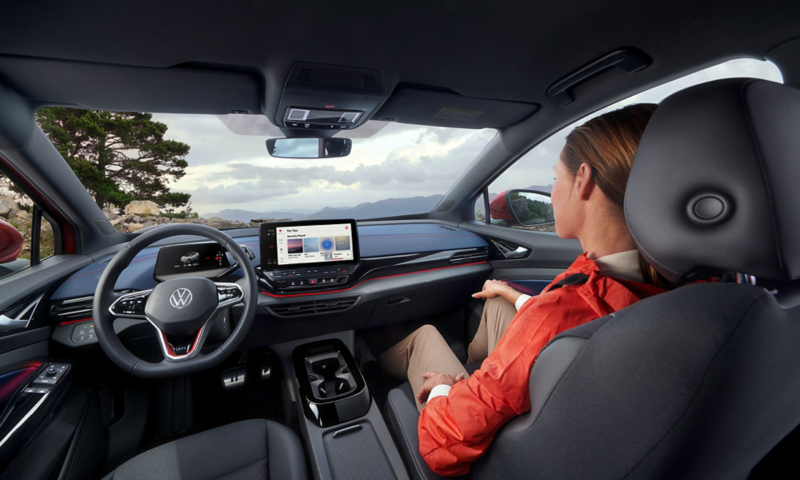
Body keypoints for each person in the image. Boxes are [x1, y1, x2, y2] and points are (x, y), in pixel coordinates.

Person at [380, 103, 678, 476]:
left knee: (423, 337)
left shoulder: (556, 312)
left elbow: (444, 443)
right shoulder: (700, 288)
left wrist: (441, 388)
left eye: (556, 178)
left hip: (498, 449)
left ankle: (370, 368)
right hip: (572, 427)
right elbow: (583, 314)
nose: (552, 192)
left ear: (582, 179)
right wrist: (515, 297)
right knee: (499, 305)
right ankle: (469, 373)